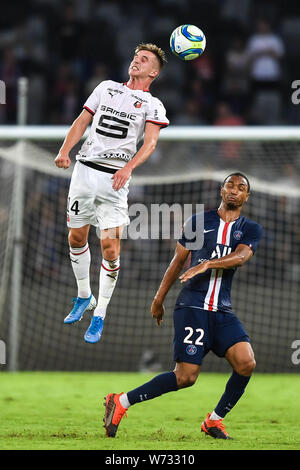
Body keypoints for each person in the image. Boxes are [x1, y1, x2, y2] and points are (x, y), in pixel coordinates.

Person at [104, 173, 263, 439]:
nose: (234, 190)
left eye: (241, 187)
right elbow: (177, 263)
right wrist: (158, 298)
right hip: (193, 307)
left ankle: (213, 421)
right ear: (221, 190)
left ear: (247, 197)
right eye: (230, 185)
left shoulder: (250, 229)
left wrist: (207, 263)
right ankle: (120, 402)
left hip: (222, 310)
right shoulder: (198, 222)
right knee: (186, 377)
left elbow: (241, 256)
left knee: (246, 363)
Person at [54, 43, 169, 343]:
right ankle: (83, 296)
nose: (136, 62)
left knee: (110, 247)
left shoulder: (152, 105)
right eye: (135, 57)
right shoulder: (105, 88)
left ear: (153, 72)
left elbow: (150, 144)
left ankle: (100, 313)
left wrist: (128, 168)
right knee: (76, 237)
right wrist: (65, 150)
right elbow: (83, 121)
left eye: (143, 60)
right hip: (84, 170)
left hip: (115, 179)